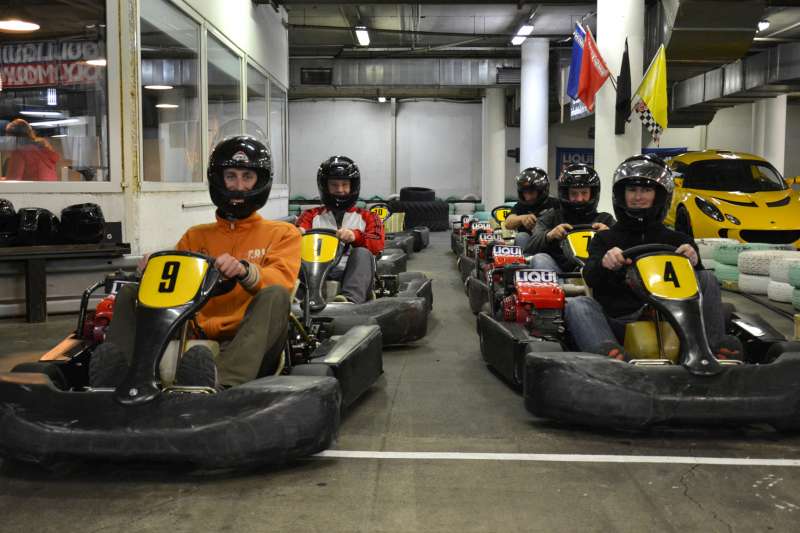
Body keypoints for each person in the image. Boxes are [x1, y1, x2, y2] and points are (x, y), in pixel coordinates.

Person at [89, 136, 301, 388]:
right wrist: (152, 273)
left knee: (276, 295)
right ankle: (121, 378)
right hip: (192, 332)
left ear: (260, 181)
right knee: (130, 293)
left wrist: (245, 271)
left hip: (246, 338)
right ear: (218, 179)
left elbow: (282, 280)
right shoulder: (196, 236)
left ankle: (221, 384)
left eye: (247, 177)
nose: (238, 186)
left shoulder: (282, 233)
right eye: (231, 176)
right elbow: (172, 288)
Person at [564, 154, 743, 361]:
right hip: (621, 322)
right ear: (621, 194)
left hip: (677, 320)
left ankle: (712, 351)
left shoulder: (679, 241)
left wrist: (694, 263)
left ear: (660, 196)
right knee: (578, 305)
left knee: (707, 278)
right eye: (632, 190)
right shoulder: (605, 239)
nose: (638, 196)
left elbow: (698, 288)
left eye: (646, 190)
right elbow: (590, 277)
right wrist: (605, 263)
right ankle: (611, 357)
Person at [296, 156, 384, 304]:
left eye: (344, 185)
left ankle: (349, 300)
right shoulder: (310, 215)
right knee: (296, 252)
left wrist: (355, 236)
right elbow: (298, 232)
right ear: (325, 186)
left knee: (362, 253)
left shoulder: (369, 216)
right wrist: (297, 234)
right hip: (315, 271)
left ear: (353, 186)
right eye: (334, 185)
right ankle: (299, 299)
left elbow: (378, 244)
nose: (340, 190)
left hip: (352, 272)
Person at [524, 164, 615, 273]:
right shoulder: (552, 217)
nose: (579, 199)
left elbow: (626, 248)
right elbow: (529, 247)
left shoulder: (605, 219)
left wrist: (610, 236)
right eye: (574, 193)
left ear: (593, 193)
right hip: (560, 275)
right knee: (540, 259)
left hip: (597, 274)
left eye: (584, 193)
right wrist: (549, 235)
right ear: (565, 194)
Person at [503, 167, 560, 249]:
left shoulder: (555, 204)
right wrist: (522, 219)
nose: (527, 197)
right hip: (529, 246)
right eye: (524, 193)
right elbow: (508, 223)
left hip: (550, 245)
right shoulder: (522, 205)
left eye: (531, 192)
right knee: (522, 236)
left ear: (542, 191)